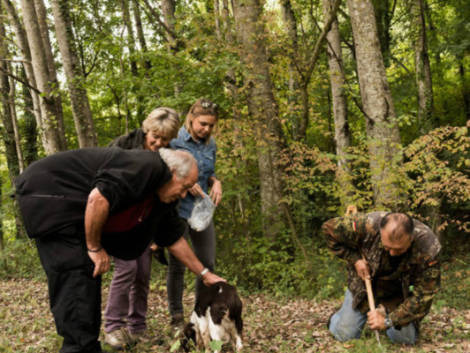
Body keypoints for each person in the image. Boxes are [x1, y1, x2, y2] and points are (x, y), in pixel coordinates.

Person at [14, 147, 225, 353]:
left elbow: (173, 238)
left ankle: (85, 345)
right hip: (52, 195)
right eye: (185, 186)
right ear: (172, 173)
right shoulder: (147, 166)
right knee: (76, 274)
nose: (184, 194)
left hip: (72, 211)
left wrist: (204, 274)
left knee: (87, 276)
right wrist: (95, 247)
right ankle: (78, 347)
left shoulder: (161, 198)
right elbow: (98, 198)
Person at [103, 108, 180, 348]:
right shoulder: (122, 146)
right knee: (126, 268)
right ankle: (113, 327)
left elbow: (165, 197)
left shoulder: (168, 157)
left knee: (143, 273)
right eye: (154, 137)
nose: (158, 143)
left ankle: (138, 328)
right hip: (116, 218)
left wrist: (157, 234)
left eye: (164, 140)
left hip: (143, 221)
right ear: (146, 130)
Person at [322, 211, 441, 345]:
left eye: (399, 249)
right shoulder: (368, 224)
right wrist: (355, 259)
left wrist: (389, 321)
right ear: (380, 232)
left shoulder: (428, 246)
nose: (392, 254)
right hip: (363, 287)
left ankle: (383, 314)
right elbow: (328, 229)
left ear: (411, 238)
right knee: (344, 335)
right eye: (387, 248)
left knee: (405, 340)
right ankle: (338, 317)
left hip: (397, 293)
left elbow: (424, 296)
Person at [167, 98, 222, 327]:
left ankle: (200, 313)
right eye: (202, 124)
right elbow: (162, 172)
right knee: (178, 263)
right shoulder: (174, 140)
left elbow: (208, 172)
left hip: (201, 211)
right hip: (178, 208)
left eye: (210, 125)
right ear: (191, 118)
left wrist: (216, 181)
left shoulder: (211, 145)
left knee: (207, 261)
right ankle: (176, 316)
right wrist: (184, 182)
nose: (206, 129)